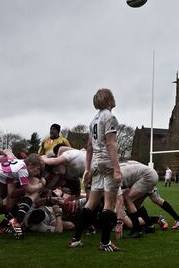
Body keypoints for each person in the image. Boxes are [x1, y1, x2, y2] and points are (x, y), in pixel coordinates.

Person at [69, 88, 123, 252]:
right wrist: (116, 168)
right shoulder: (110, 117)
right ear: (109, 100)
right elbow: (111, 144)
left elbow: (89, 147)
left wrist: (87, 169)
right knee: (109, 204)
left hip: (96, 164)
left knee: (91, 203)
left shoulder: (93, 120)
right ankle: (105, 243)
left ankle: (76, 239)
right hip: (107, 162)